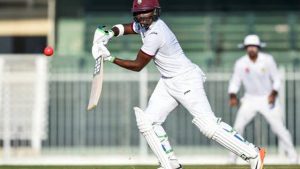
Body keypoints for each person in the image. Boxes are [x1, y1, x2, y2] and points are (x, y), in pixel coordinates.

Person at [92, 0, 265, 168]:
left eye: (145, 12)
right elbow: (128, 27)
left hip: (185, 79)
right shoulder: (144, 25)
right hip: (168, 81)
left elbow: (138, 66)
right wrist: (110, 33)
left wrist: (110, 58)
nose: (142, 16)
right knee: (148, 122)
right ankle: (170, 165)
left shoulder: (156, 33)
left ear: (155, 12)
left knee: (208, 126)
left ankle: (253, 153)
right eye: (138, 13)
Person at [228, 34, 298, 164]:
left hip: (267, 98)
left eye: (254, 46)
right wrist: (232, 95)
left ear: (258, 47)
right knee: (237, 128)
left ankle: (293, 158)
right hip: (249, 99)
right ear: (245, 48)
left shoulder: (267, 60)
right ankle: (231, 160)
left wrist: (273, 93)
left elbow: (276, 79)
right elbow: (235, 82)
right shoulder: (240, 63)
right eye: (249, 47)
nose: (251, 49)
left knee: (279, 128)